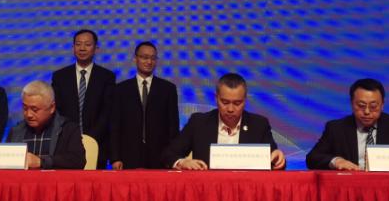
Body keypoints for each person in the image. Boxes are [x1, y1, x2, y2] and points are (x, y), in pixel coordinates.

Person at [162, 73, 285, 170]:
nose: (230, 109)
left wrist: (278, 159)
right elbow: (169, 154)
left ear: (245, 101)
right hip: (208, 188)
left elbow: (275, 160)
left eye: (237, 103)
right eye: (225, 102)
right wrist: (183, 162)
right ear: (216, 99)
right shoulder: (199, 122)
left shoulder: (259, 125)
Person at [306, 78, 389, 170]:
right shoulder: (336, 128)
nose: (367, 111)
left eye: (373, 106)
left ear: (382, 105)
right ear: (352, 103)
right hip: (350, 185)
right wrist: (336, 161)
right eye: (361, 105)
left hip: (387, 184)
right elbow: (312, 158)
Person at [51, 29, 115, 168]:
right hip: (65, 143)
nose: (82, 48)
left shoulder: (107, 77)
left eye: (87, 44)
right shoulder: (60, 76)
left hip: (97, 143)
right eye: (78, 44)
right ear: (73, 47)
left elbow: (107, 112)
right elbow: (57, 110)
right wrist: (72, 136)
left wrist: (90, 138)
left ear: (96, 49)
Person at [110, 41, 180, 169]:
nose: (149, 62)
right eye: (144, 57)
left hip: (160, 156)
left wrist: (173, 158)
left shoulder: (168, 89)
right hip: (128, 156)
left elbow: (173, 127)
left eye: (153, 58)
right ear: (135, 59)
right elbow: (115, 126)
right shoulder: (121, 89)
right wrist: (115, 157)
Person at [8, 80, 86, 170]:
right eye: (25, 108)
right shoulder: (16, 131)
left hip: (55, 179)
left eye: (34, 109)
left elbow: (78, 161)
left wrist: (41, 162)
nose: (28, 114)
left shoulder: (68, 129)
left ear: (52, 107)